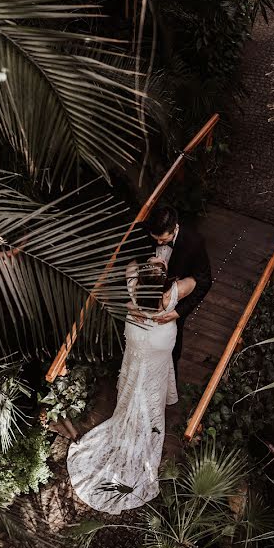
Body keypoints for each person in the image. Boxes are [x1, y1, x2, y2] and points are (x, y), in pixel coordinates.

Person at [67, 261, 196, 513]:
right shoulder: (170, 298)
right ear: (163, 285)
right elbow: (194, 282)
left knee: (136, 376)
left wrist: (135, 296)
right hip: (158, 344)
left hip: (138, 340)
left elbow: (130, 266)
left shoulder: (134, 292)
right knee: (153, 380)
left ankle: (132, 412)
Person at [143, 205, 212, 384]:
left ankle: (166, 383)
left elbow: (204, 281)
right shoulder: (142, 231)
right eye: (155, 238)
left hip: (173, 308)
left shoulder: (194, 242)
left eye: (163, 239)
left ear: (175, 228)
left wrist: (179, 311)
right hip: (143, 302)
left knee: (171, 348)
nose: (158, 243)